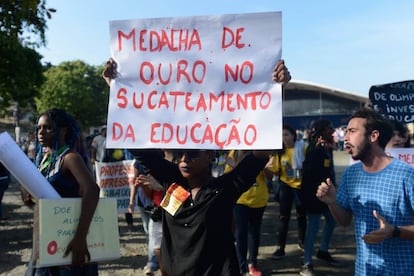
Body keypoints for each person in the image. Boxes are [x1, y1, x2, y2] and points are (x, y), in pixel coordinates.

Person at [316, 107, 414, 275]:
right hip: (364, 270)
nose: (345, 138)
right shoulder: (351, 174)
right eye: (345, 132)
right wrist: (331, 201)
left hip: (402, 270)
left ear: (373, 136)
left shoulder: (407, 175)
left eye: (352, 131)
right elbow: (345, 220)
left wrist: (395, 231)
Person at [27, 108, 100, 275]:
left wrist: (80, 237)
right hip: (44, 240)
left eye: (48, 127)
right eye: (38, 128)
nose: (41, 132)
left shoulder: (70, 158)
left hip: (67, 241)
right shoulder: (43, 159)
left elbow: (92, 191)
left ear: (63, 131)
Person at [223, 150, 273, 276]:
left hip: (259, 199)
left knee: (254, 232)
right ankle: (241, 266)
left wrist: (263, 167)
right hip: (241, 200)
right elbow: (227, 177)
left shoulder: (262, 152)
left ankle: (253, 263)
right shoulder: (234, 152)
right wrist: (235, 166)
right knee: (241, 233)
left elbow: (270, 177)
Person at [299, 119, 339, 276]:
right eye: (329, 128)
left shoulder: (325, 148)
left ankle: (323, 250)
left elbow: (329, 171)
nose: (333, 131)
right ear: (321, 131)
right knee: (313, 228)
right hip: (314, 197)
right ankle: (307, 262)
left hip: (326, 195)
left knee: (331, 221)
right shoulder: (313, 150)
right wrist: (308, 199)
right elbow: (308, 177)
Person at [270, 125, 307, 260]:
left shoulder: (303, 147)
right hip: (285, 185)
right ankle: (281, 247)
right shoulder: (279, 151)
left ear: (293, 135)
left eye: (286, 134)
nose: (284, 138)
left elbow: (309, 164)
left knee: (301, 215)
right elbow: (274, 170)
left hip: (300, 186)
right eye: (282, 135)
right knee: (283, 217)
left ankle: (302, 241)